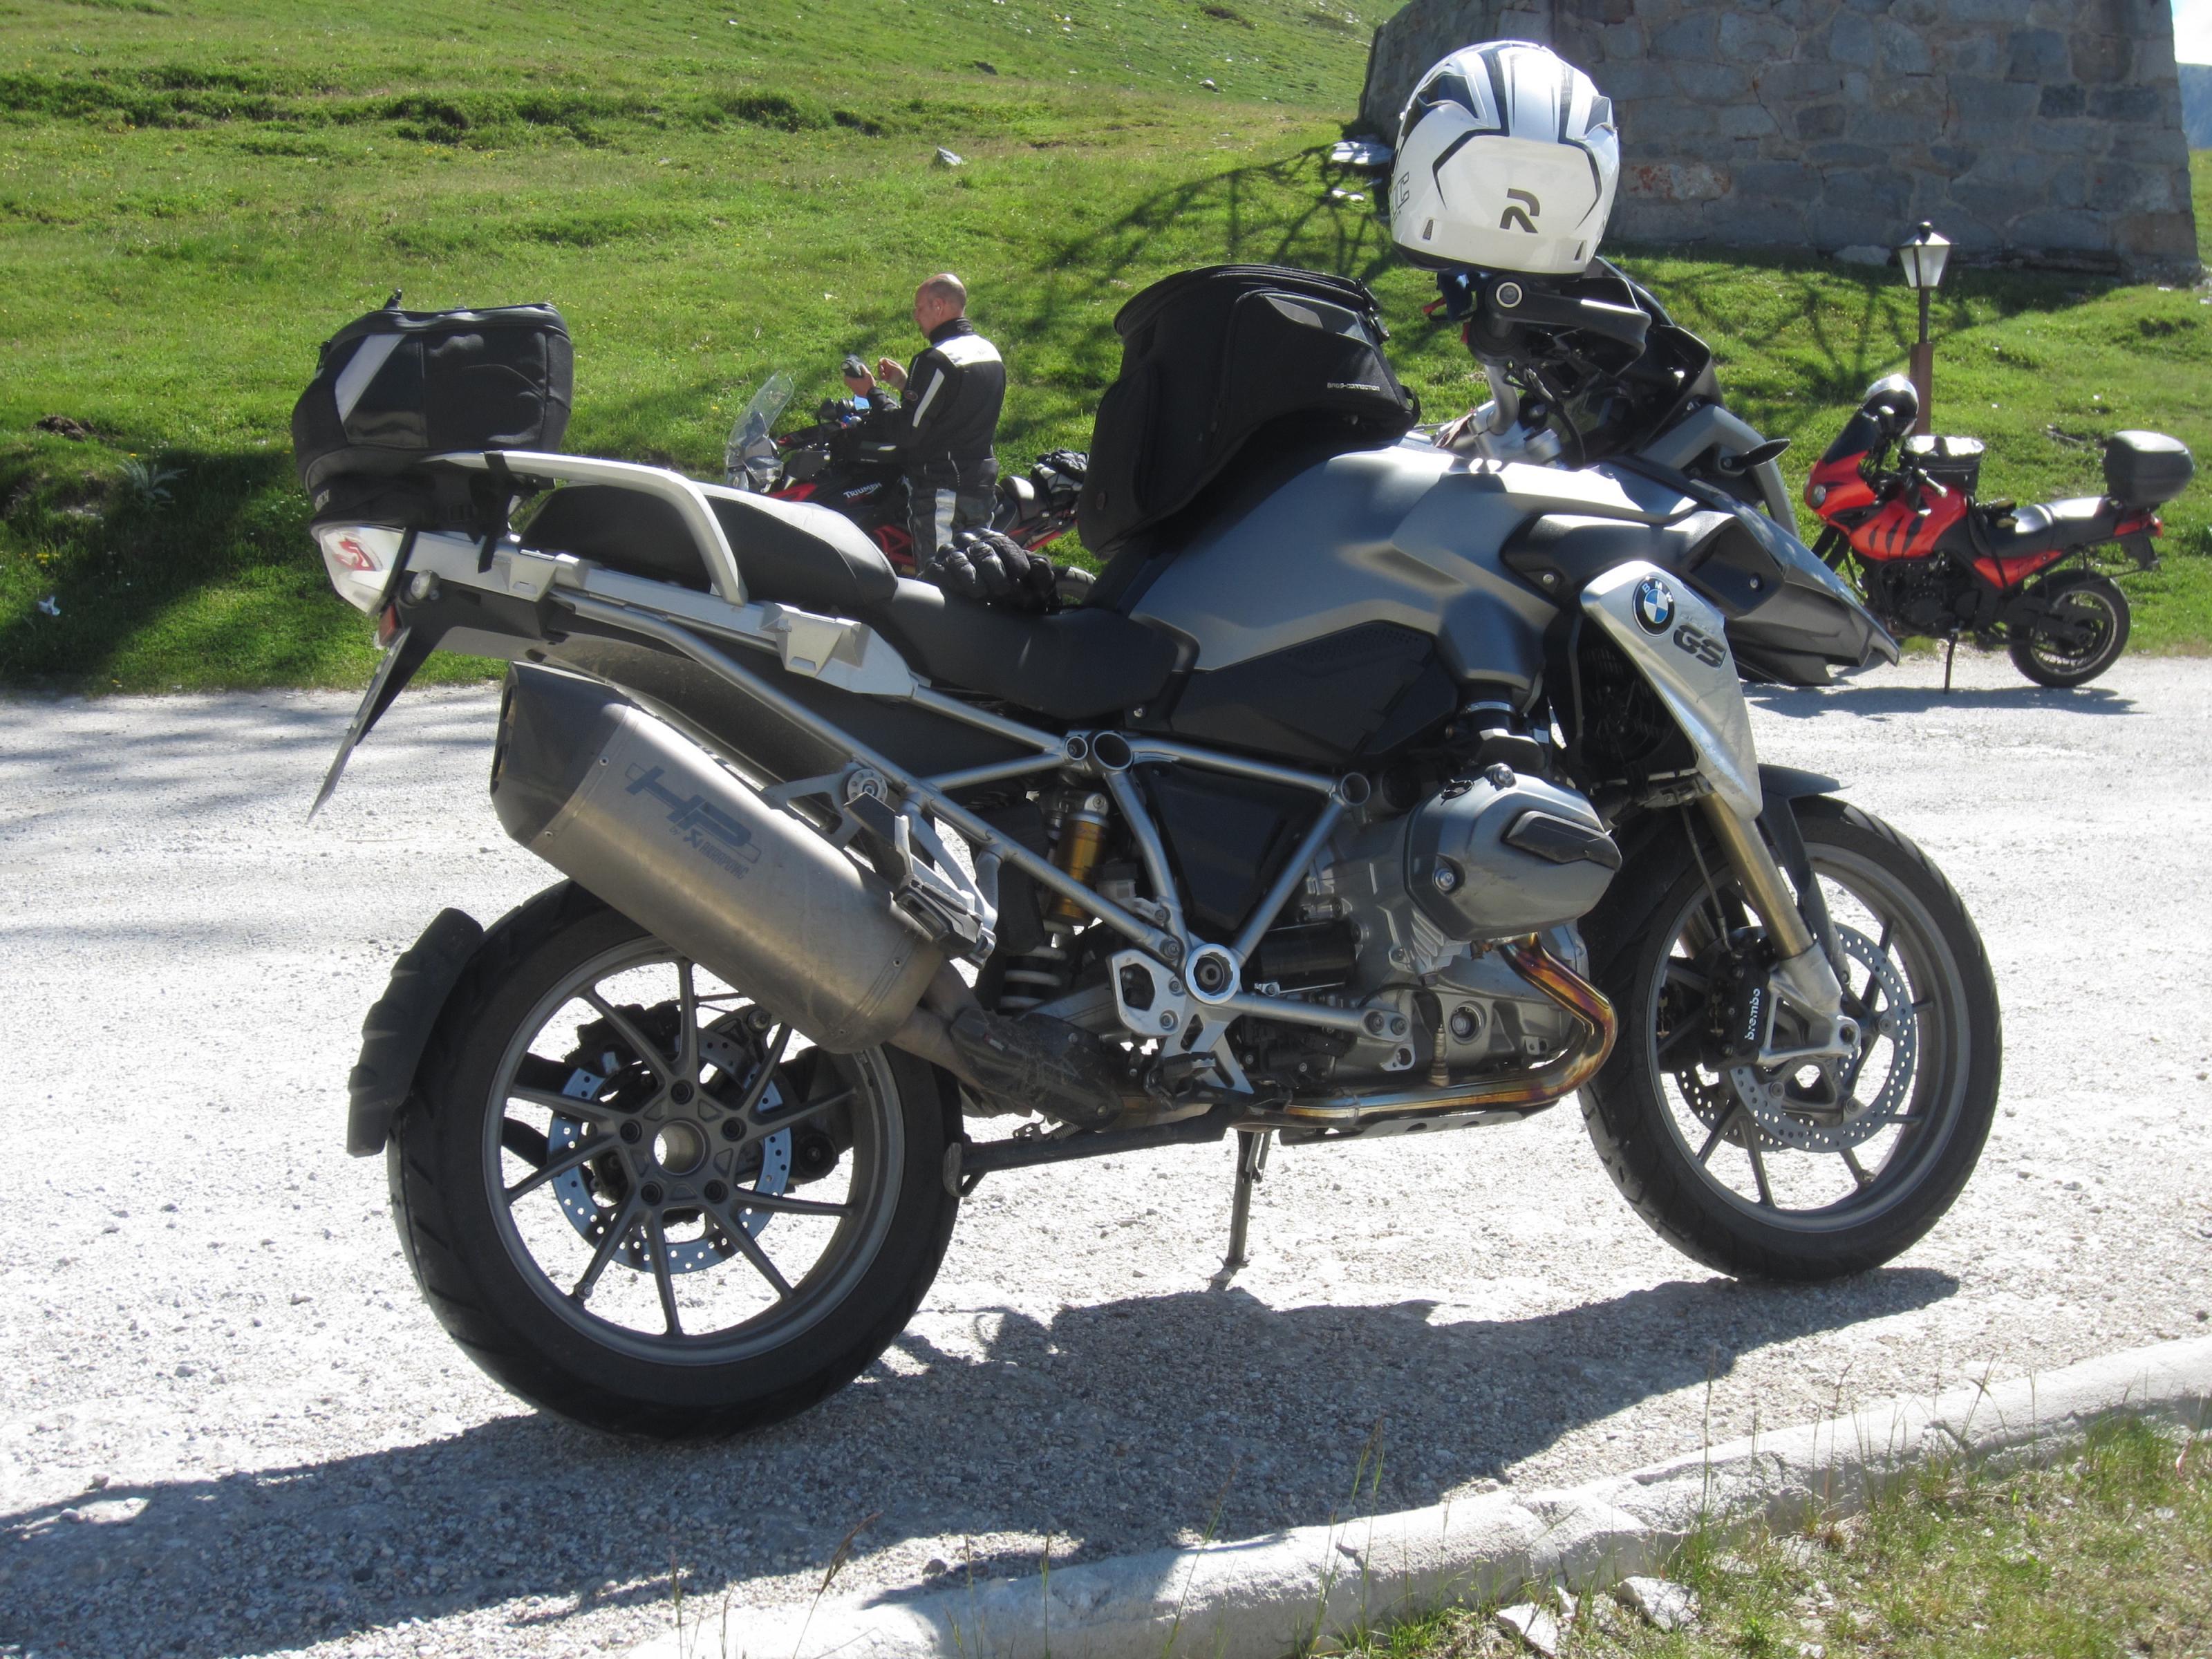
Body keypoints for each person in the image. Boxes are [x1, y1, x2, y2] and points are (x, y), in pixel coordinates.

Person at [843, 272, 1007, 572]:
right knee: (976, 580)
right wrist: (904, 383)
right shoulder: (989, 352)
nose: (916, 316)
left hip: (943, 491)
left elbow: (906, 432)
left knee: (939, 581)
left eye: (919, 308)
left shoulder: (935, 360)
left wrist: (871, 393)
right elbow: (954, 409)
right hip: (981, 486)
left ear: (939, 306)